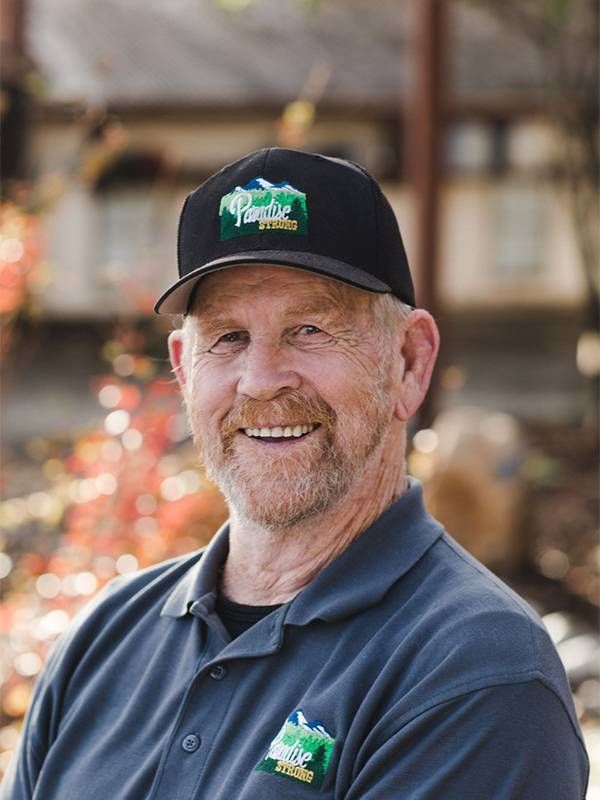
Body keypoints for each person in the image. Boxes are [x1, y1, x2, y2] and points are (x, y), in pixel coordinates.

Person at [3, 148, 588, 799]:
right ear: (184, 367)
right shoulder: (105, 639)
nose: (260, 380)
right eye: (227, 337)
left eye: (309, 329)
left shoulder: (477, 670)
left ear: (409, 361)